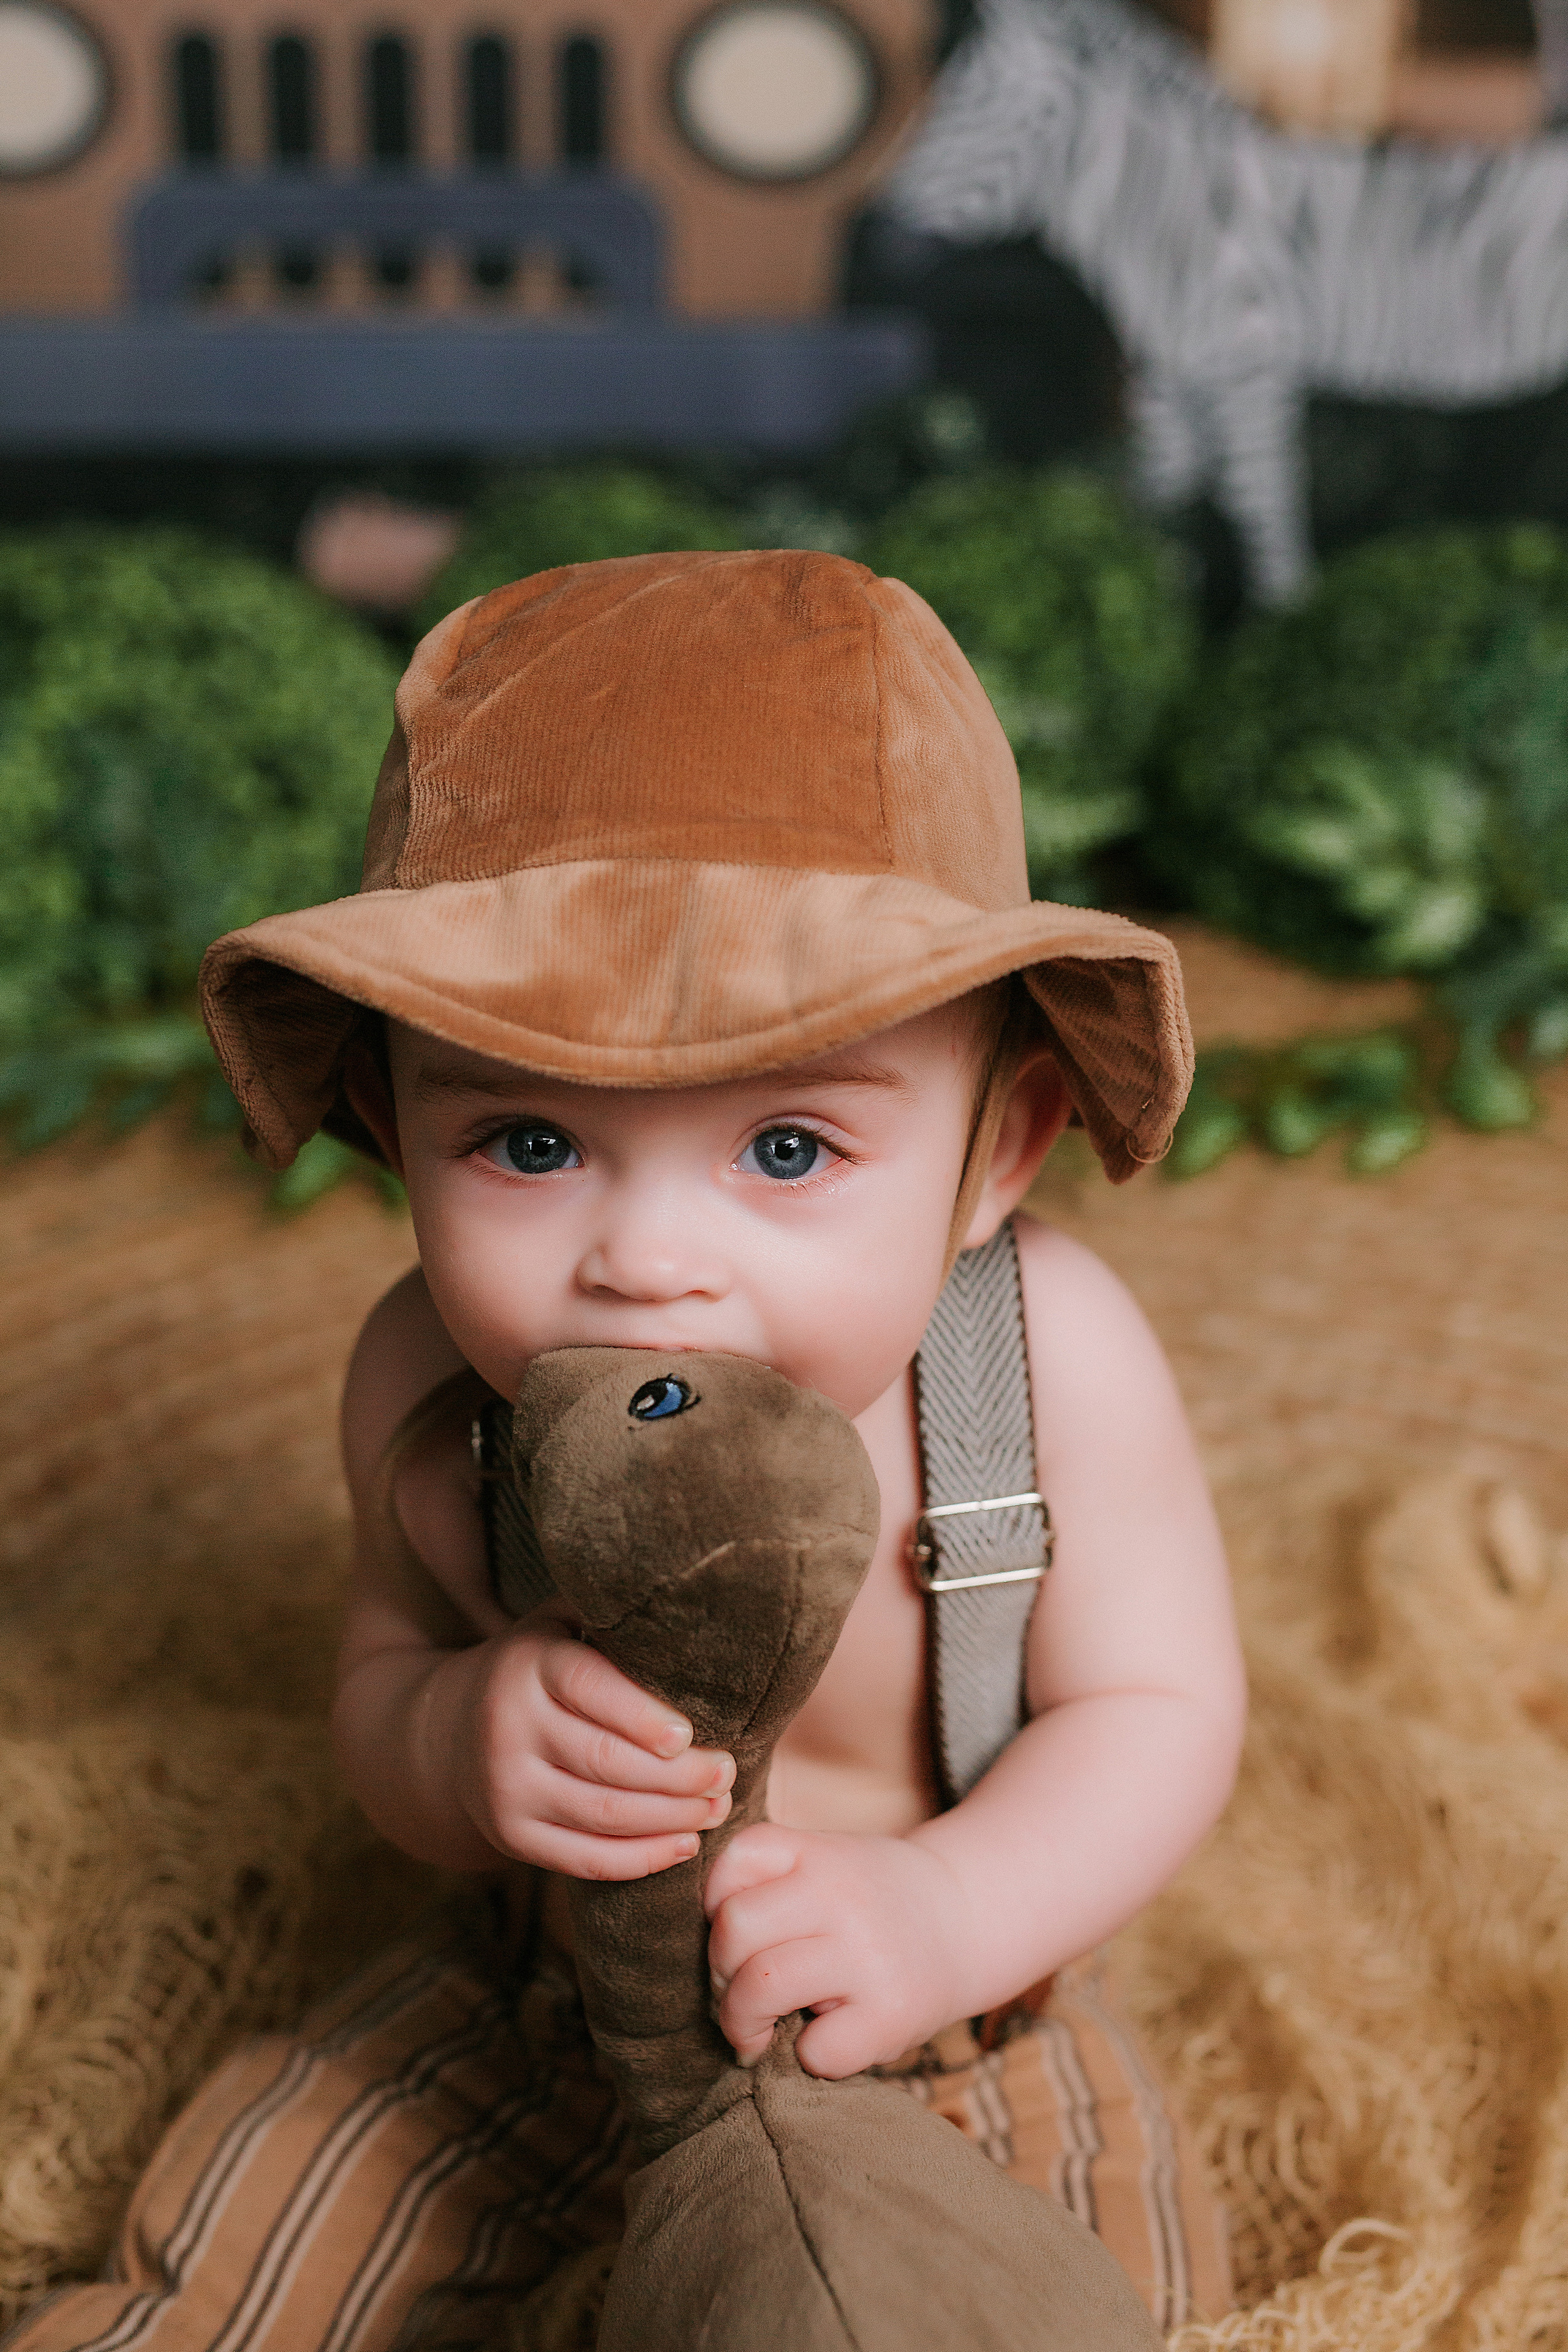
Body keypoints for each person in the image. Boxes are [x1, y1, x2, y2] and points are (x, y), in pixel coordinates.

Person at [8, 549, 1244, 2352]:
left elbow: (1159, 1716)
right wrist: (457, 1734)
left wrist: (946, 1906)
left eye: (791, 1150)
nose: (646, 1260)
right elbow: (378, 1679)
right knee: (248, 2242)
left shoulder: (1046, 1367)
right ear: (391, 1115)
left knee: (1038, 2293)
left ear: (1002, 1149)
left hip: (945, 2019)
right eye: (524, 1141)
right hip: (540, 1996)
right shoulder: (427, 1384)